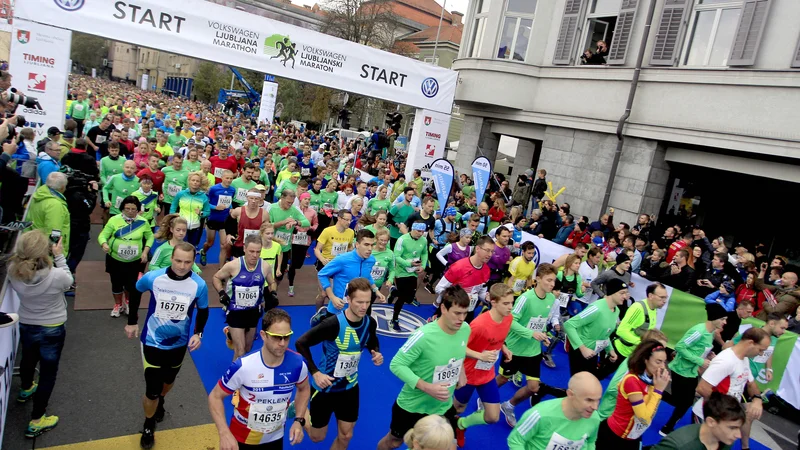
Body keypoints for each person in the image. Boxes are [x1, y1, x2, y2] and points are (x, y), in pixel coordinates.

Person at [127, 242, 209, 449]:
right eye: (178, 260)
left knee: (169, 380)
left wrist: (198, 333)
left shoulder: (198, 284)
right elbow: (136, 291)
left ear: (193, 262)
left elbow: (204, 310)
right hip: (152, 341)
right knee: (152, 388)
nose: (182, 266)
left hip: (179, 344)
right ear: (171, 258)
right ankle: (148, 424)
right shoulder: (154, 278)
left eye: (188, 262)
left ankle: (162, 399)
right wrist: (131, 321)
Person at [376, 286, 470, 450]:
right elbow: (396, 364)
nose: (461, 319)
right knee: (394, 442)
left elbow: (457, 351)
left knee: (448, 445)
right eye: (457, 313)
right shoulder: (423, 336)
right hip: (412, 406)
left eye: (465, 313)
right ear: (443, 308)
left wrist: (461, 371)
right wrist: (426, 387)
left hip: (442, 406)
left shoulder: (465, 329)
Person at [294, 278, 382, 448]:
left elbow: (371, 339)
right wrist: (315, 373)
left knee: (346, 435)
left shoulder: (370, 322)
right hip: (325, 388)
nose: (364, 307)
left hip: (350, 387)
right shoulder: (332, 324)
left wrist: (375, 351)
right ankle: (301, 410)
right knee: (317, 437)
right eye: (359, 302)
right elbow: (301, 343)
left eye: (367, 302)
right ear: (348, 299)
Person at [208, 308, 309, 450]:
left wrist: (299, 420)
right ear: (263, 335)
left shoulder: (298, 364)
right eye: (276, 337)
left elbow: (304, 389)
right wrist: (224, 433)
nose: (282, 343)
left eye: (286, 337)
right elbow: (215, 396)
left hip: (275, 437)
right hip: (242, 438)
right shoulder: (243, 366)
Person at [8, 231, 72, 437]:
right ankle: (37, 419)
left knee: (28, 358)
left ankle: (26, 387)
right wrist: (60, 256)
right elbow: (69, 281)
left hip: (27, 323)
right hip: (52, 326)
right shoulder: (56, 275)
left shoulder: (12, 270)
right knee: (48, 373)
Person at [497, 263, 561, 426]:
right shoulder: (526, 298)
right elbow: (510, 320)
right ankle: (486, 397)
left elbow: (540, 323)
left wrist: (544, 335)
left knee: (533, 387)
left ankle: (509, 405)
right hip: (515, 348)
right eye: (549, 280)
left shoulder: (552, 299)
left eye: (554, 281)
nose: (552, 284)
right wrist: (531, 334)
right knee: (503, 379)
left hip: (532, 350)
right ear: (537, 279)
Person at [452, 283, 514, 446]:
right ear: (493, 302)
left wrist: (504, 348)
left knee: (493, 417)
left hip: (487, 374)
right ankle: (448, 430)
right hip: (468, 374)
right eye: (506, 303)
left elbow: (497, 339)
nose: (510, 307)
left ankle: (461, 425)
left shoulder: (509, 318)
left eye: (512, 303)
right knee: (458, 408)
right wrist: (480, 355)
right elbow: (459, 347)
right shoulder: (478, 325)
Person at [692, 327, 770, 450]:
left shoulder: (744, 359)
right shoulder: (726, 360)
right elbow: (702, 388)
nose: (760, 354)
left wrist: (757, 399)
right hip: (710, 416)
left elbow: (751, 383)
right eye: (760, 350)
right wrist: (725, 410)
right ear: (750, 343)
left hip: (726, 418)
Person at [660, 302, 728, 436]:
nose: (725, 322)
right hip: (681, 369)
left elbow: (699, 349)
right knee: (681, 402)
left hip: (691, 371)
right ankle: (656, 392)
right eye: (722, 319)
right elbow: (680, 347)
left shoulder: (711, 333)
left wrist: (708, 354)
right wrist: (701, 361)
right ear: (714, 318)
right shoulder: (699, 331)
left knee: (685, 402)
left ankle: (668, 426)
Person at [214, 235, 278, 361]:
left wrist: (273, 293)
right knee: (240, 350)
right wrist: (222, 293)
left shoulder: (264, 266)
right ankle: (234, 379)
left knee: (247, 349)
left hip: (253, 311)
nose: (255, 255)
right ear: (244, 249)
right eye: (251, 251)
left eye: (258, 252)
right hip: (235, 311)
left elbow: (272, 282)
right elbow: (216, 278)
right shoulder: (233, 265)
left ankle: (230, 336)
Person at [596, 341, 670, 449]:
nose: (663, 367)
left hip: (633, 436)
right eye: (658, 362)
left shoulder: (651, 380)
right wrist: (658, 391)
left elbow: (649, 411)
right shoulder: (632, 381)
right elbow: (644, 419)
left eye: (664, 362)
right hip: (614, 435)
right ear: (645, 360)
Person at [507, 371, 602, 449]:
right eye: (589, 400)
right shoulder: (540, 414)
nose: (595, 407)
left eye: (598, 400)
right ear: (570, 394)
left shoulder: (594, 418)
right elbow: (515, 441)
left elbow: (590, 441)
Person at [98, 196, 153, 317]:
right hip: (115, 259)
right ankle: (118, 304)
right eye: (127, 208)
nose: (130, 211)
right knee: (116, 283)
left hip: (134, 260)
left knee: (131, 284)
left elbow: (150, 236)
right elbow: (103, 235)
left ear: (138, 209)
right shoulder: (114, 220)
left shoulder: (143, 222)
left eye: (133, 209)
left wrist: (145, 251)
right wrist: (104, 244)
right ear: (122, 208)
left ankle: (128, 302)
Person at [314, 229, 383, 326]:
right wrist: (332, 297)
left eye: (372, 245)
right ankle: (323, 313)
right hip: (338, 308)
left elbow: (367, 276)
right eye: (366, 244)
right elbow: (322, 274)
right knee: (332, 340)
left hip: (358, 309)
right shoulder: (342, 259)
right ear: (357, 245)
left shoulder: (371, 260)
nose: (370, 249)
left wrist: (376, 290)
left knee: (356, 339)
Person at [564, 278, 628, 377]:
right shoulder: (596, 308)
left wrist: (610, 350)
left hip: (593, 353)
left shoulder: (616, 311)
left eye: (626, 293)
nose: (626, 297)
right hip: (581, 352)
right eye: (622, 293)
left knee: (587, 386)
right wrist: (583, 348)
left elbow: (605, 334)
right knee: (579, 387)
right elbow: (569, 325)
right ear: (612, 292)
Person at [598, 329, 668, 420]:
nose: (662, 352)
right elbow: (613, 388)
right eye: (659, 347)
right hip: (609, 413)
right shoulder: (630, 364)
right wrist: (634, 396)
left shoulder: (646, 366)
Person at [654, 392, 746, 450]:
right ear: (711, 422)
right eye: (732, 428)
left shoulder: (725, 440)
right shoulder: (677, 445)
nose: (738, 435)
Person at [611, 282, 668, 369]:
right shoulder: (638, 308)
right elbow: (621, 330)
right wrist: (643, 344)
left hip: (632, 355)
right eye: (661, 297)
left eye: (665, 298)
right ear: (651, 296)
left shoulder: (653, 310)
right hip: (620, 352)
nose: (664, 301)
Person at [387, 220, 428, 330]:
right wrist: (408, 263)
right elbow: (396, 256)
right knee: (402, 297)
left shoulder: (423, 240)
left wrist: (423, 266)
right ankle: (394, 319)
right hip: (401, 272)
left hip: (413, 272)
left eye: (423, 231)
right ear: (412, 229)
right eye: (419, 231)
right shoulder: (402, 239)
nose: (421, 233)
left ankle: (394, 292)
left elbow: (424, 253)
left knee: (409, 297)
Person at [728, 312, 788, 385]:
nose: (784, 332)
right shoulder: (753, 333)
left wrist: (768, 369)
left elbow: (769, 352)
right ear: (772, 323)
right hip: (738, 376)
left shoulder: (774, 339)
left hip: (752, 377)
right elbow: (729, 345)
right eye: (782, 328)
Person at [313, 209, 355, 313]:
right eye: (346, 220)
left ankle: (335, 312)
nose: (349, 223)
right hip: (326, 265)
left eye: (350, 220)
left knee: (336, 293)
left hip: (340, 266)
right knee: (324, 293)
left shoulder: (350, 232)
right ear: (339, 219)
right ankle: (318, 312)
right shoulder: (328, 231)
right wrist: (322, 259)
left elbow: (349, 248)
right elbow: (317, 249)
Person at [268, 189, 310, 286]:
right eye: (288, 202)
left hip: (285, 248)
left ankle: (274, 291)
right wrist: (284, 222)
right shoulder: (272, 208)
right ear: (281, 198)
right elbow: (267, 226)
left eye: (291, 202)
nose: (290, 204)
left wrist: (295, 222)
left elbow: (307, 222)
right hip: (271, 247)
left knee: (279, 276)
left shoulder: (294, 210)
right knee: (267, 274)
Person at [28, 172, 71, 256]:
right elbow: (54, 233)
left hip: (35, 243)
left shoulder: (39, 194)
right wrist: (55, 257)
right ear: (62, 187)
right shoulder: (55, 205)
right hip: (47, 253)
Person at [287, 192, 318, 296]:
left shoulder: (312, 212)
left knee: (298, 265)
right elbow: (288, 221)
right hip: (293, 239)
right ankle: (291, 286)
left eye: (309, 199)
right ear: (300, 200)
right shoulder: (294, 210)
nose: (307, 201)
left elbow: (316, 223)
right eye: (305, 199)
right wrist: (293, 229)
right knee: (292, 264)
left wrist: (312, 229)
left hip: (305, 240)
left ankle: (290, 266)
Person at [170, 172, 211, 247]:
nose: (195, 182)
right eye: (193, 180)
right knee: (180, 247)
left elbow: (207, 212)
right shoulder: (181, 194)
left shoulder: (203, 197)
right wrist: (173, 216)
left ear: (200, 183)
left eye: (197, 181)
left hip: (195, 227)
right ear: (189, 181)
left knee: (191, 247)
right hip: (181, 226)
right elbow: (173, 206)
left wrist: (201, 213)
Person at [226, 189, 270, 258]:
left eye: (256, 199)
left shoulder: (264, 214)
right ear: (247, 198)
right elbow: (229, 221)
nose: (253, 201)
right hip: (240, 245)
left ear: (260, 199)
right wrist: (229, 234)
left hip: (256, 247)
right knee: (238, 267)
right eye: (251, 198)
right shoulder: (238, 211)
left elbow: (267, 229)